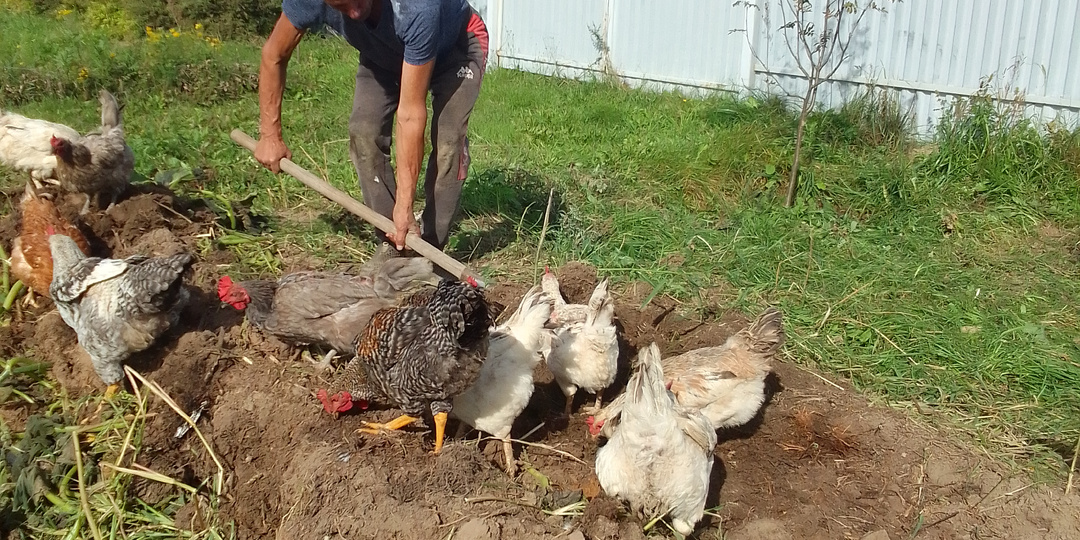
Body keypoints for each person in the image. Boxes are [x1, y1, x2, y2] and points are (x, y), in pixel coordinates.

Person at [255, 0, 488, 252]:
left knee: (448, 143)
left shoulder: (417, 6)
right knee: (364, 132)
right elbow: (274, 55)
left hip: (454, 45)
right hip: (384, 53)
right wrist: (269, 135)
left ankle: (430, 250)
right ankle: (395, 242)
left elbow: (410, 115)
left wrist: (405, 204)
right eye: (343, 8)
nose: (354, 13)